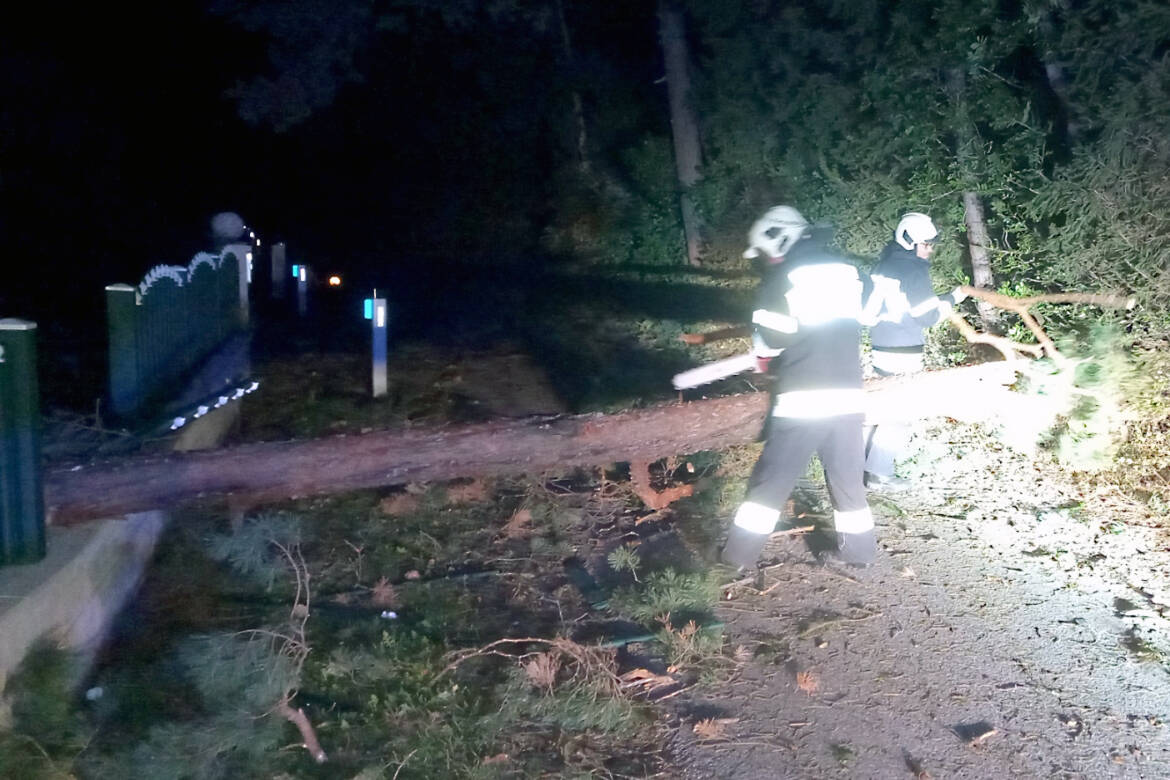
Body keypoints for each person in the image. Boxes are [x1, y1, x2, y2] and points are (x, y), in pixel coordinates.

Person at [721, 206, 883, 570]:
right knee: (847, 481)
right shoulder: (849, 270)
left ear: (780, 239)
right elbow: (872, 313)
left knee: (771, 484)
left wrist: (761, 353)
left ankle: (736, 557)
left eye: (764, 253)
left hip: (802, 400)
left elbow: (773, 339)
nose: (764, 261)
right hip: (847, 397)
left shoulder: (782, 279)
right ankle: (860, 553)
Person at [864, 212, 967, 490]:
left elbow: (869, 313)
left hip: (881, 346)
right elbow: (928, 317)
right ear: (910, 241)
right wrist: (953, 299)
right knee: (900, 414)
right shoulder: (914, 270)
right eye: (926, 244)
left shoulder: (884, 265)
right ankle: (878, 473)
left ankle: (859, 463)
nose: (930, 250)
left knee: (881, 406)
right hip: (904, 350)